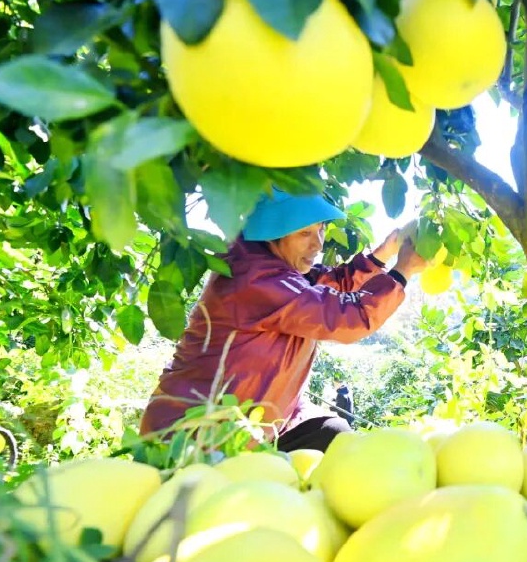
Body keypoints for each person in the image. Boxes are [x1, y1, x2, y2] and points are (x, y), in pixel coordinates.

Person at [140, 189, 427, 453]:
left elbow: (327, 284)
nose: (317, 243)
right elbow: (346, 317)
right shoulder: (255, 278)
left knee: (331, 434)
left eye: (321, 229)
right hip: (194, 434)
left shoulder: (277, 267)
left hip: (251, 428)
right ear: (273, 234)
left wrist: (381, 256)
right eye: (305, 233)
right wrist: (401, 272)